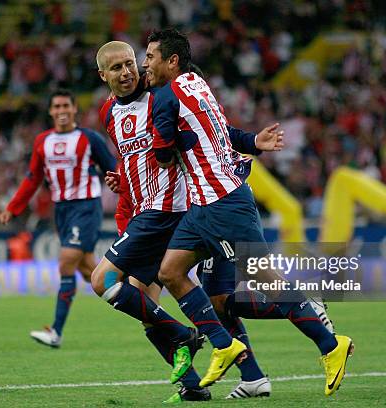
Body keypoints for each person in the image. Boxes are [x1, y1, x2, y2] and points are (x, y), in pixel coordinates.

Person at [147, 28, 353, 395]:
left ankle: (329, 343)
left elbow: (163, 156)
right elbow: (220, 134)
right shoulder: (197, 84)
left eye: (151, 57)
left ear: (171, 61)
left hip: (223, 205)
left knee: (267, 282)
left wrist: (157, 144)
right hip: (204, 206)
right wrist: (252, 142)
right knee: (171, 272)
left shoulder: (165, 97)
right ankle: (227, 348)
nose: (146, 63)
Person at [94, 40, 284, 402]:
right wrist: (122, 178)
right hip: (149, 212)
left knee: (216, 298)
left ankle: (202, 344)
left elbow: (214, 131)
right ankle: (207, 382)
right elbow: (135, 157)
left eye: (130, 63)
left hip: (185, 209)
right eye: (116, 68)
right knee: (157, 304)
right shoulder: (108, 113)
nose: (127, 72)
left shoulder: (162, 96)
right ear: (103, 75)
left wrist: (253, 143)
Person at [0, 89, 116, 348]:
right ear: (51, 112)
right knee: (89, 272)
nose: (62, 111)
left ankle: (56, 331)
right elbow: (33, 178)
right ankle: (130, 294)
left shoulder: (89, 138)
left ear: (75, 109)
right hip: (61, 210)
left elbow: (113, 167)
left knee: (66, 262)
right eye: (57, 107)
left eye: (66, 106)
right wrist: (13, 207)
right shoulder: (42, 141)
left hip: (86, 207)